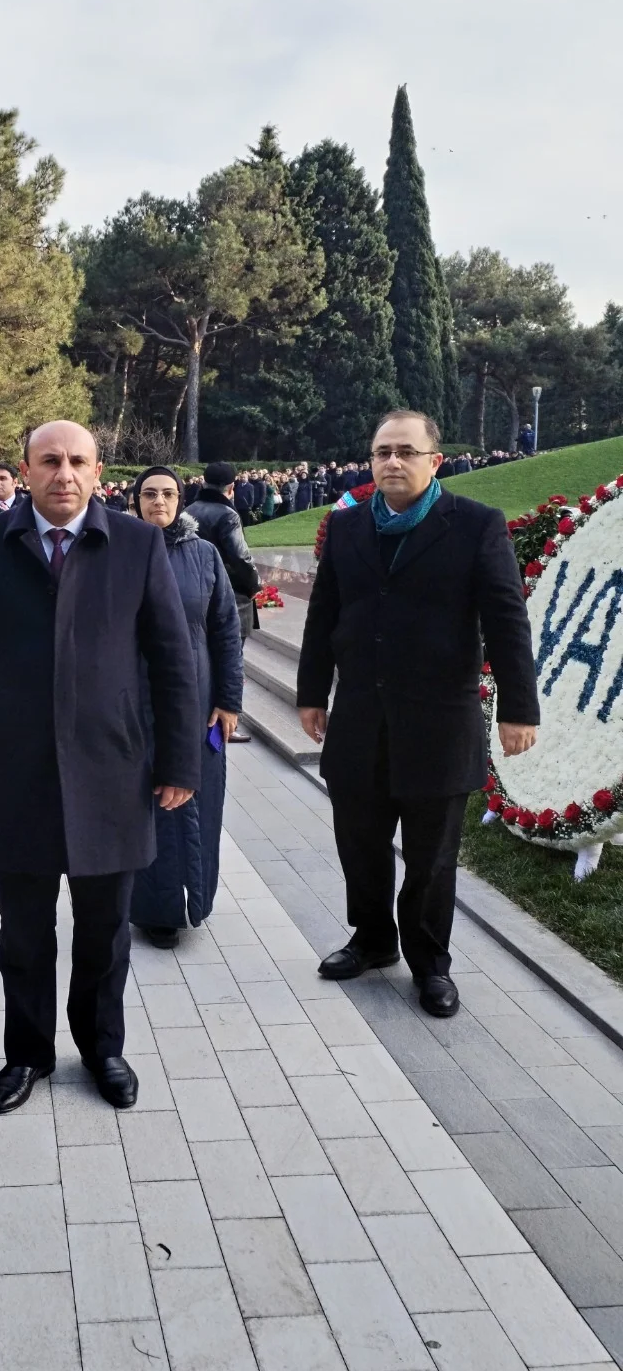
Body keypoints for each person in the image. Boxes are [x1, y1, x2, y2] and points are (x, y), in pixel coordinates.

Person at [0, 420, 200, 1115]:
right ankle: (26, 1054)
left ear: (98, 468)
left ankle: (102, 1048)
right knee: (23, 932)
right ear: (25, 469)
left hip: (113, 769)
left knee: (106, 930)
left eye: (78, 460)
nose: (64, 473)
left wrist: (179, 761)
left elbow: (172, 661)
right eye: (49, 461)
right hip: (14, 770)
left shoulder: (136, 544)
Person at [296, 409, 539, 1019]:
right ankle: (374, 941)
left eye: (406, 451)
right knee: (361, 843)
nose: (392, 462)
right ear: (370, 461)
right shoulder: (347, 528)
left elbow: (507, 619)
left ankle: (430, 962)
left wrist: (518, 708)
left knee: (431, 858)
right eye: (382, 452)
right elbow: (324, 612)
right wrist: (309, 692)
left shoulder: (476, 526)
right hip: (358, 719)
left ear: (436, 461)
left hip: (438, 722)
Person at [129, 468, 243, 948]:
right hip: (133, 703)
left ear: (182, 500)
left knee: (197, 801)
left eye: (169, 494)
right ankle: (151, 908)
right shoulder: (117, 553)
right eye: (150, 494)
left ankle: (194, 900)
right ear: (135, 501)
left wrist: (229, 699)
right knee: (143, 805)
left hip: (197, 704)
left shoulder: (204, 556)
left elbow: (225, 630)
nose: (159, 501)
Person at [188, 462, 262, 645]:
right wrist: (255, 584)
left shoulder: (188, 510)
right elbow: (241, 556)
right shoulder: (228, 515)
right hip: (229, 595)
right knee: (231, 658)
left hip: (196, 590)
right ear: (231, 488)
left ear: (204, 483)